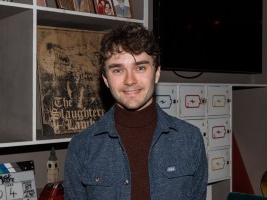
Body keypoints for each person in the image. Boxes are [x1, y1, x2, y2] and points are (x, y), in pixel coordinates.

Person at [64, 23, 208, 200]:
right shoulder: (81, 147)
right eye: (117, 70)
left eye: (140, 68)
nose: (130, 80)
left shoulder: (190, 139)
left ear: (156, 73)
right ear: (106, 79)